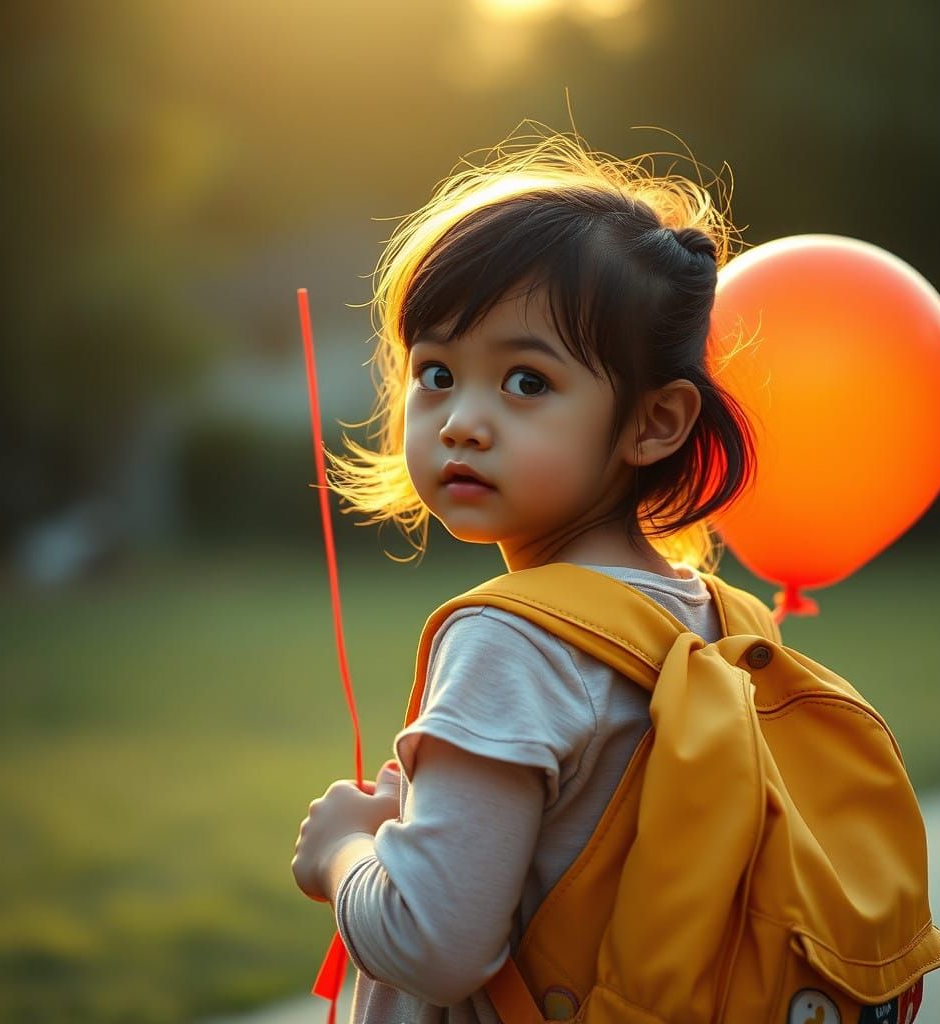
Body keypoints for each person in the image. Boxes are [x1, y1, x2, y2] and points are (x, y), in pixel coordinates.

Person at [291, 126, 757, 1022]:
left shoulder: (512, 639)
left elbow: (435, 944)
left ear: (654, 422)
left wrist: (343, 853)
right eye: (436, 372)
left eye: (526, 383)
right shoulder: (713, 616)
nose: (461, 421)